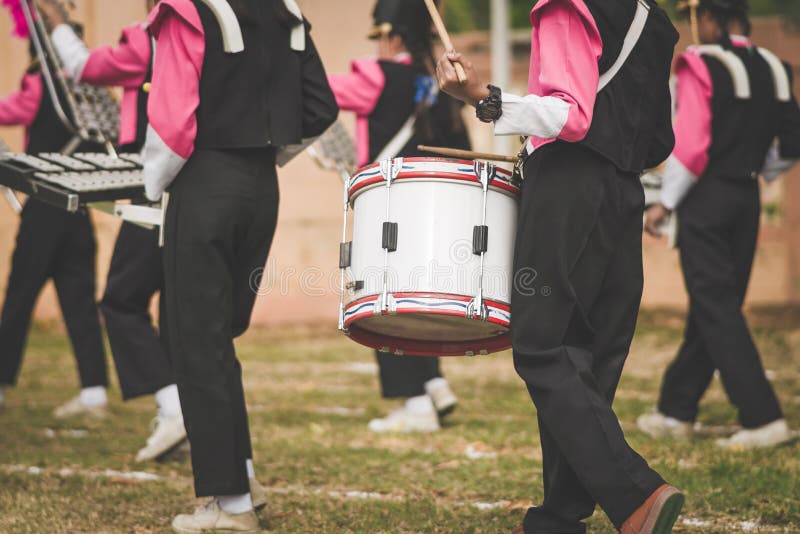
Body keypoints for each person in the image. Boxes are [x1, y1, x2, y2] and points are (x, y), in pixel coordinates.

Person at [437, 0, 685, 532]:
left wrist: (481, 98)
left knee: (541, 346)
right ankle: (560, 517)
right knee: (587, 358)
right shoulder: (652, 19)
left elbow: (570, 116)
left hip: (568, 185)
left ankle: (637, 493)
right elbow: (660, 138)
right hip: (623, 190)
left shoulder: (565, 8)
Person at [142, 0, 337, 531]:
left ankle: (229, 504)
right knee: (218, 338)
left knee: (195, 341)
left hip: (205, 180)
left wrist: (152, 184)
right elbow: (320, 108)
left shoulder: (183, 9)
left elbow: (171, 119)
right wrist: (265, 154)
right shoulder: (287, 11)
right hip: (261, 187)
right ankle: (241, 475)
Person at [638, 0, 800, 449]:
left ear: (708, 18)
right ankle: (676, 410)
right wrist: (757, 170)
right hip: (745, 196)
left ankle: (762, 417)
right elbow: (791, 143)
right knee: (717, 306)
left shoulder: (699, 63)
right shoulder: (775, 65)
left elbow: (691, 147)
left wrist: (664, 203)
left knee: (716, 306)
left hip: (706, 198)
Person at [36, 0, 187, 463]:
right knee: (176, 310)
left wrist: (58, 24)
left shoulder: (149, 36)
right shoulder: (198, 38)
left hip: (159, 184)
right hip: (195, 187)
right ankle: (186, 415)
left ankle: (175, 407)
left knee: (121, 300)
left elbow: (84, 67)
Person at [328, 0, 464, 434]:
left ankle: (416, 402)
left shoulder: (377, 75)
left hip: (385, 203)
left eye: (379, 35)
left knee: (380, 302)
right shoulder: (437, 80)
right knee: (414, 296)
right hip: (428, 205)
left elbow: (318, 90)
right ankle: (434, 382)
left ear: (394, 35)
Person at [0, 19, 109, 418]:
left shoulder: (39, 83)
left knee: (19, 296)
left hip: (45, 205)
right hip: (79, 206)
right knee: (80, 301)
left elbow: (13, 110)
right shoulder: (93, 93)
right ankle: (94, 390)